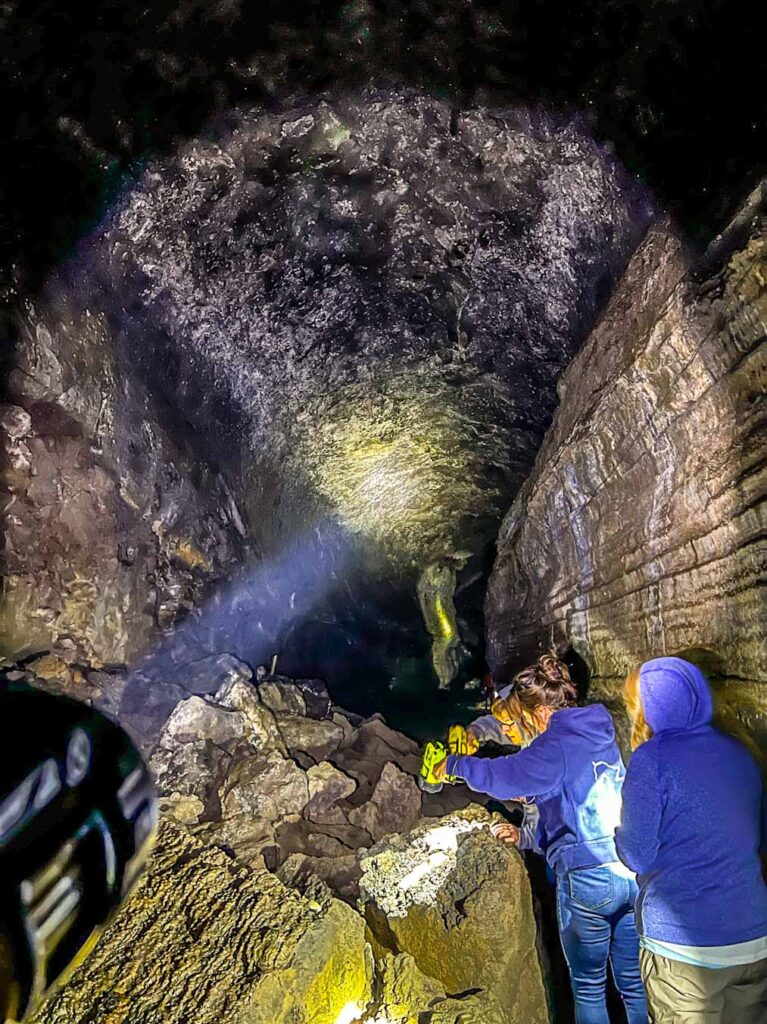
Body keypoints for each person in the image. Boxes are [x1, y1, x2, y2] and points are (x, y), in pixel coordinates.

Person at [435, 654, 648, 1024]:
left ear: (541, 712)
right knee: (633, 982)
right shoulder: (598, 728)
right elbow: (570, 794)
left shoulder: (555, 743)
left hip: (588, 878)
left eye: (527, 715)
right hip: (629, 871)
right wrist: (528, 828)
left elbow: (506, 774)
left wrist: (454, 766)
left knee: (588, 987)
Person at [615, 656, 767, 1023]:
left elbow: (636, 854)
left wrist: (619, 832)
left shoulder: (652, 759)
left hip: (685, 950)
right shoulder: (740, 751)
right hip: (753, 936)